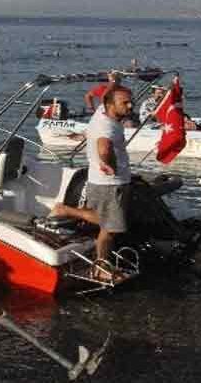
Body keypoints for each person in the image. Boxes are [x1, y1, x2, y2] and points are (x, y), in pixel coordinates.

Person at [50, 86, 133, 282]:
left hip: (102, 180)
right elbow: (103, 148)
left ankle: (66, 210)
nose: (130, 106)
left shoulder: (101, 112)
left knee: (107, 221)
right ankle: (101, 267)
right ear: (111, 105)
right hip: (111, 182)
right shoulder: (107, 127)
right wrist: (109, 164)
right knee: (110, 229)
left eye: (131, 102)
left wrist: (115, 82)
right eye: (125, 103)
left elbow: (107, 95)